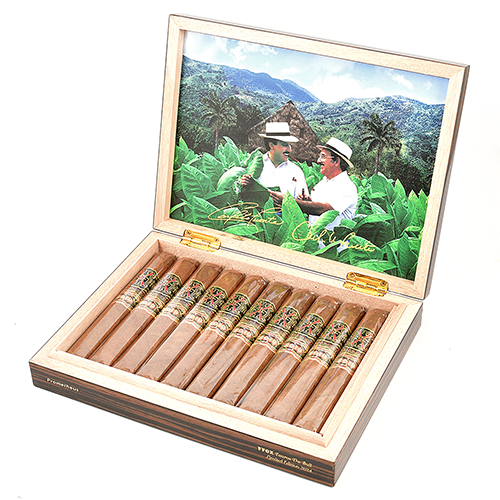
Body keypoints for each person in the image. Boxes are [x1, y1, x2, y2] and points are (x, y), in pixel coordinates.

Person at [271, 136, 358, 231]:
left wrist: (288, 201)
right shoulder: (323, 182)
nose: (318, 161)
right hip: (314, 237)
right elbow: (315, 207)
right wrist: (307, 202)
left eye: (323, 156)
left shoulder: (346, 186)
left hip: (332, 240)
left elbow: (323, 210)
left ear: (336, 161)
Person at [241, 122, 309, 199]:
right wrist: (243, 183)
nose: (289, 150)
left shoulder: (296, 171)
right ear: (271, 145)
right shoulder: (254, 165)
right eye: (285, 145)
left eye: (290, 145)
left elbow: (303, 200)